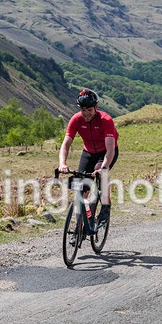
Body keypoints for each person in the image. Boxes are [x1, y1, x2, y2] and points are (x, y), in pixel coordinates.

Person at [58, 89, 119, 229]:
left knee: (99, 171)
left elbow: (110, 149)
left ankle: (105, 205)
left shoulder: (106, 120)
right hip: (89, 152)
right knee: (80, 191)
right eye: (83, 109)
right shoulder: (76, 119)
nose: (86, 113)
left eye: (89, 110)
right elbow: (66, 144)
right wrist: (62, 163)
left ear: (96, 108)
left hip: (106, 152)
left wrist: (104, 167)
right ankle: (78, 226)